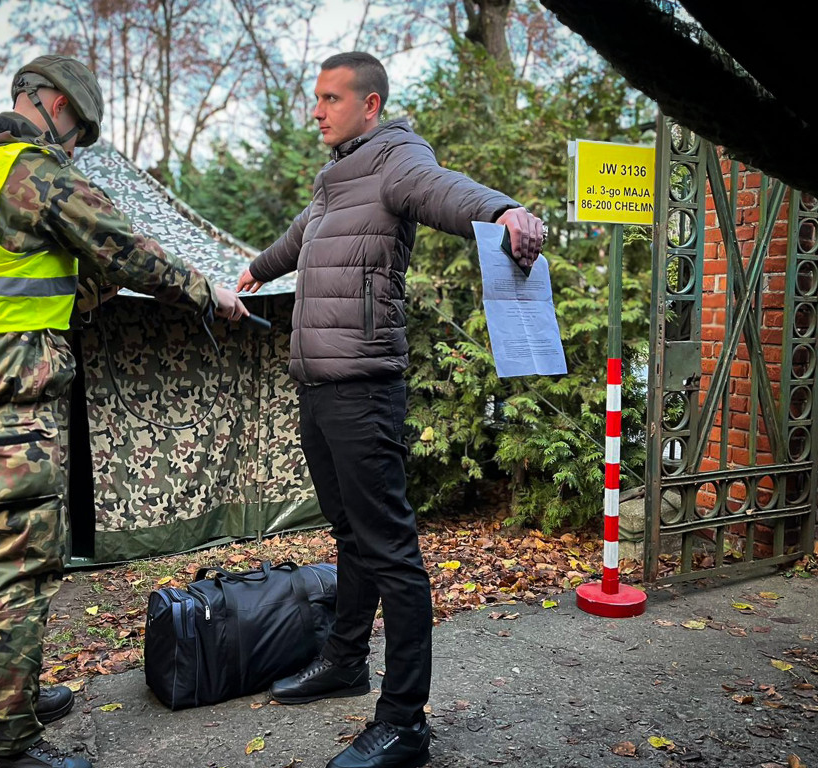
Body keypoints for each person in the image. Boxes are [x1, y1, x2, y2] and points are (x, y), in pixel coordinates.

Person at [0, 55, 248, 768]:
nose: (73, 145)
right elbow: (125, 250)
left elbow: (19, 270)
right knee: (17, 560)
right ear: (56, 103)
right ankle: (4, 745)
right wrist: (205, 291)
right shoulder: (31, 171)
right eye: (78, 131)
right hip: (9, 390)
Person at [237, 52, 543, 768]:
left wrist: (503, 210)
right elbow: (301, 238)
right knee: (350, 533)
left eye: (331, 98)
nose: (317, 110)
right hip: (318, 383)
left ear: (370, 104)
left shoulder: (396, 159)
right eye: (315, 97)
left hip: (364, 385)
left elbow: (445, 191)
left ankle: (404, 721)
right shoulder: (335, 175)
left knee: (392, 552)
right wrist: (258, 267)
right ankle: (344, 660)